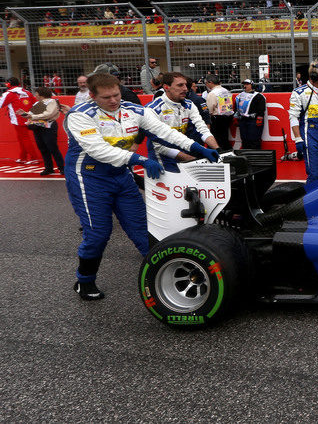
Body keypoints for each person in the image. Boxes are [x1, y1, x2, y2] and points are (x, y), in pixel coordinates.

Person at [64, 73, 220, 300]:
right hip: (89, 178)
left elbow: (165, 132)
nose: (113, 100)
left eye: (116, 94)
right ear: (93, 95)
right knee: (98, 233)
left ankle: (166, 272)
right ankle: (85, 280)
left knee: (142, 228)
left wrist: (198, 147)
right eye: (106, 97)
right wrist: (139, 160)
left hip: (121, 174)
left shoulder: (135, 110)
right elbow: (98, 150)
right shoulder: (80, 115)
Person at [145, 72, 219, 162]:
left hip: (182, 153)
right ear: (166, 87)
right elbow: (158, 146)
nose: (185, 89)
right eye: (180, 85)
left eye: (186, 85)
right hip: (161, 160)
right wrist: (192, 159)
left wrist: (217, 149)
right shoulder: (153, 109)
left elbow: (202, 128)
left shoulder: (189, 104)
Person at [289, 67, 318, 186]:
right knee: (314, 172)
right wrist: (298, 138)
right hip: (309, 132)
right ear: (314, 76)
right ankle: (310, 199)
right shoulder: (299, 92)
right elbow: (293, 117)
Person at [26, 87, 64, 176]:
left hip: (49, 126)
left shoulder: (51, 101)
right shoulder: (37, 103)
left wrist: (34, 117)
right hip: (38, 127)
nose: (35, 95)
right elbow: (30, 114)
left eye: (36, 93)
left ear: (41, 94)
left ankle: (62, 168)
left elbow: (49, 114)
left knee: (53, 148)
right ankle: (48, 168)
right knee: (43, 148)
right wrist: (25, 115)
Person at [1, 77, 38, 163]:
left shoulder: (9, 93)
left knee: (24, 138)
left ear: (8, 84)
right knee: (22, 138)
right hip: (29, 118)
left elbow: (1, 104)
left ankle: (34, 158)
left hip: (18, 119)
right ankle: (23, 157)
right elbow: (35, 104)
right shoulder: (27, 92)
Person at [234, 79, 266, 150]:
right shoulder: (239, 96)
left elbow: (261, 108)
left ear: (252, 85)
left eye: (247, 84)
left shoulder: (258, 96)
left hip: (253, 120)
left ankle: (255, 156)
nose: (245, 86)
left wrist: (259, 118)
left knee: (254, 139)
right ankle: (246, 156)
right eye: (244, 84)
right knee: (244, 139)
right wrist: (236, 118)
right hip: (242, 120)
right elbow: (236, 108)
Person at [205, 75, 234, 150]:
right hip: (228, 116)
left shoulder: (212, 93)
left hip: (217, 119)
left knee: (217, 139)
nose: (206, 85)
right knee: (224, 138)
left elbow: (210, 109)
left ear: (210, 82)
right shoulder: (226, 91)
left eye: (206, 83)